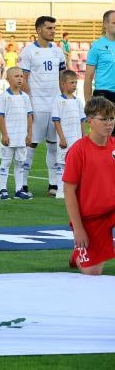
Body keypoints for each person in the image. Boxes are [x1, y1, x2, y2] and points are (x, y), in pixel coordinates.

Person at [62, 96, 115, 275]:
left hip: (112, 210)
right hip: (91, 218)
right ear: (89, 121)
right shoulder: (78, 151)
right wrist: (78, 229)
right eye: (104, 119)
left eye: (112, 118)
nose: (109, 123)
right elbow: (69, 191)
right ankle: (79, 252)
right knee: (93, 274)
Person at [19, 16, 66, 197]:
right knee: (31, 144)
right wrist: (29, 103)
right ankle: (22, 183)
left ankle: (53, 184)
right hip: (36, 105)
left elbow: (63, 77)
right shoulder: (28, 52)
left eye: (54, 28)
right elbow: (24, 80)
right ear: (39, 30)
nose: (53, 31)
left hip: (54, 105)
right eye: (49, 28)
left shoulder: (58, 52)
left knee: (54, 146)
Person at [0, 67, 34, 201]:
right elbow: (0, 117)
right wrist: (4, 135)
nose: (20, 79)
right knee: (5, 163)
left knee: (20, 164)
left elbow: (29, 116)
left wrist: (29, 134)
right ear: (8, 79)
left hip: (21, 137)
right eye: (16, 76)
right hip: (9, 137)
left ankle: (18, 190)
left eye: (21, 76)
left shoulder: (25, 97)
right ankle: (3, 190)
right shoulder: (4, 97)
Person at [51, 70, 86, 200]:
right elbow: (56, 120)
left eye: (76, 83)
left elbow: (82, 121)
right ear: (63, 84)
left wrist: (83, 137)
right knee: (62, 163)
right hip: (64, 139)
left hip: (77, 140)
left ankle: (76, 191)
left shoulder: (78, 101)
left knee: (76, 165)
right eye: (71, 82)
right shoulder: (58, 101)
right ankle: (61, 190)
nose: (74, 85)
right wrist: (62, 138)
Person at [84, 10, 115, 136]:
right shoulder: (97, 46)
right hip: (104, 95)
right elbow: (88, 77)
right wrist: (88, 104)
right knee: (105, 138)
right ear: (105, 24)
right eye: (114, 22)